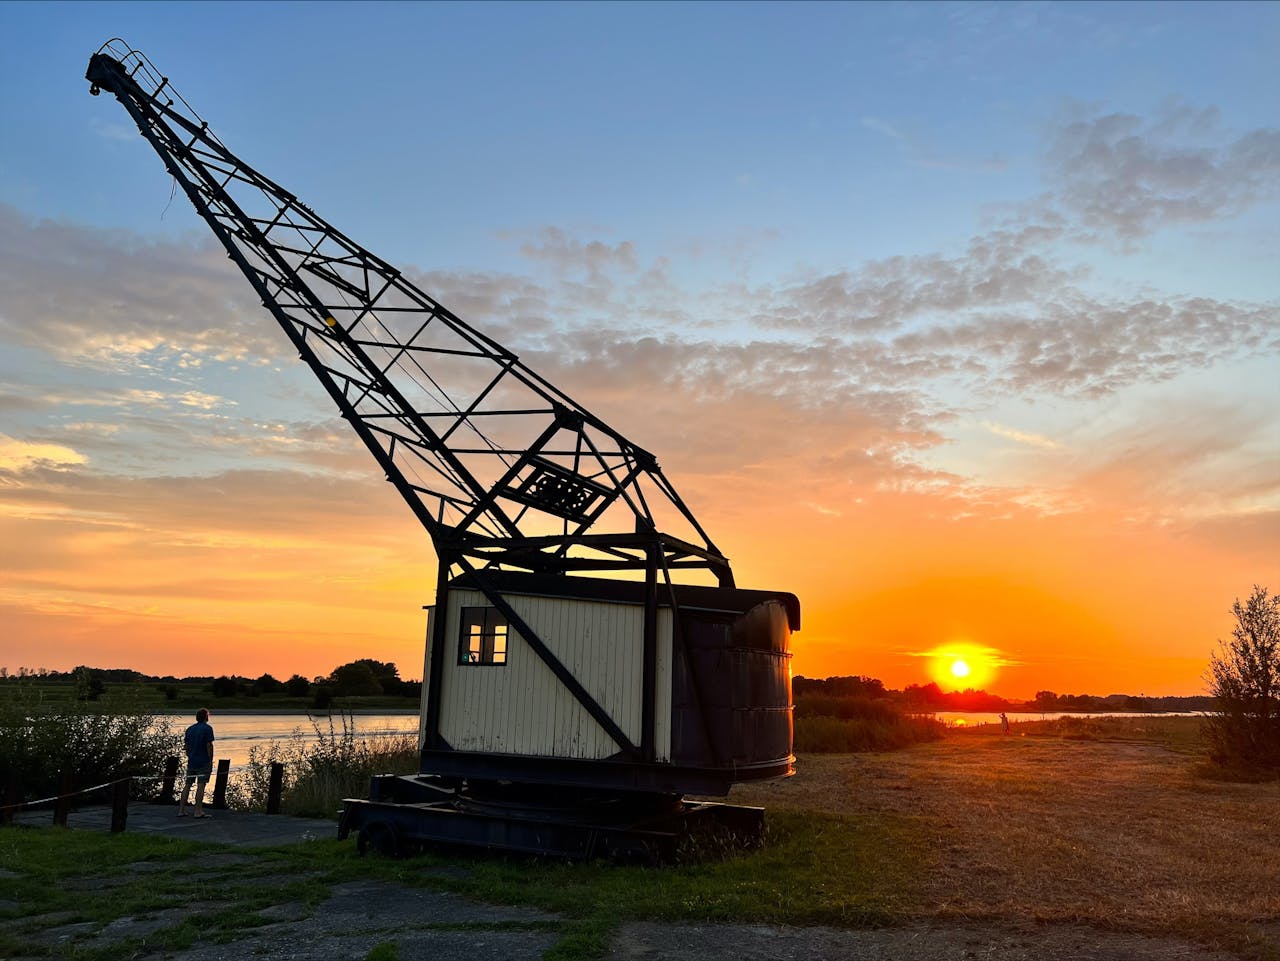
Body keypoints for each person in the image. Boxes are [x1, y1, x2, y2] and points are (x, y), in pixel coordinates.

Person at [179, 708, 215, 818]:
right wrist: (210, 760)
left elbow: (186, 747)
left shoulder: (190, 729)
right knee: (201, 785)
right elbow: (209, 745)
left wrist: (190, 756)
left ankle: (181, 810)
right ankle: (198, 811)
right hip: (203, 761)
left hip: (192, 761)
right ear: (205, 717)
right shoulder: (208, 729)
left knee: (187, 784)